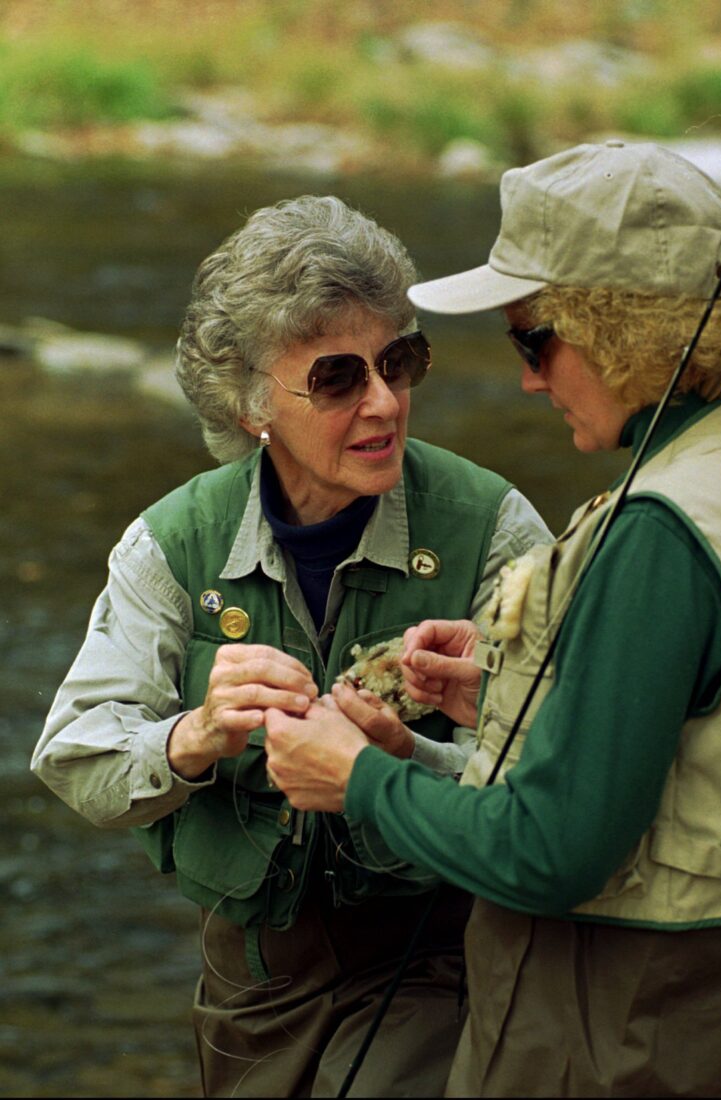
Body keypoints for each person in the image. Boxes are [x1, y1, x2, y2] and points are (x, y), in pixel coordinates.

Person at [261, 142, 721, 1098]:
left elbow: (552, 852)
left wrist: (360, 779)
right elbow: (717, 762)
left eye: (532, 342)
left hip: (628, 1040)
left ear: (618, 330)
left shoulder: (660, 536)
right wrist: (516, 700)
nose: (528, 382)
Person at [31, 195, 552, 1098]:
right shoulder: (172, 542)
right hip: (251, 992)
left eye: (401, 360)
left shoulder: (493, 528)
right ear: (249, 401)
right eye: (339, 378)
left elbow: (565, 778)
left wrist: (404, 761)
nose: (385, 402)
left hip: (446, 962)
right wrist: (192, 737)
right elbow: (73, 756)